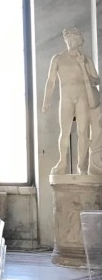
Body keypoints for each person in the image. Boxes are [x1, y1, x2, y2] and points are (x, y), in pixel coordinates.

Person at [42, 27, 100, 175]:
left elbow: (96, 80)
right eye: (68, 39)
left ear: (79, 41)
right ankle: (62, 162)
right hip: (66, 98)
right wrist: (46, 100)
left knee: (83, 131)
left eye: (73, 39)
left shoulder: (86, 59)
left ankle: (81, 166)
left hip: (82, 98)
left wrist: (84, 66)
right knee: (64, 131)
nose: (70, 42)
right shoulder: (58, 58)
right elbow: (51, 81)